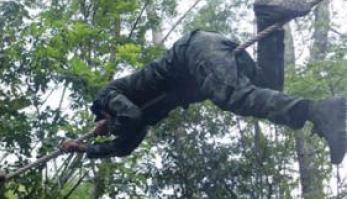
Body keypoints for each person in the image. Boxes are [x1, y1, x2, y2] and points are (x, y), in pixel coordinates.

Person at [60, 0, 346, 164]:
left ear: (104, 112)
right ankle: (269, 18)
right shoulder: (137, 118)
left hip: (193, 55)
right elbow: (123, 146)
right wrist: (83, 147)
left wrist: (109, 124)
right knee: (269, 91)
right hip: (208, 62)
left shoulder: (108, 95)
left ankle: (319, 110)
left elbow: (129, 117)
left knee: (234, 97)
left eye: (108, 120)